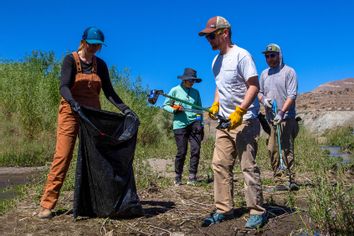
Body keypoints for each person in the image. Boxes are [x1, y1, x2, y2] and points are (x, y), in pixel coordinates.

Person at [38, 27, 135, 219]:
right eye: (91, 44)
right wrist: (73, 103)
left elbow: (109, 92)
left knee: (97, 157)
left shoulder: (101, 65)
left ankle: (97, 202)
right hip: (70, 112)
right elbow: (64, 86)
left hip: (92, 115)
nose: (95, 48)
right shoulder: (70, 60)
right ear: (83, 41)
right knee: (62, 156)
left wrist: (125, 109)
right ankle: (47, 204)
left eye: (98, 45)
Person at [198, 16, 267, 229]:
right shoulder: (215, 61)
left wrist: (240, 111)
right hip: (224, 123)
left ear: (224, 33)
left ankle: (257, 211)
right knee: (219, 165)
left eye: (211, 35)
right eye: (207, 36)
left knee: (247, 166)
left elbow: (254, 86)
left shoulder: (242, 55)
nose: (208, 39)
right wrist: (215, 104)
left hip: (245, 120)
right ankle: (224, 209)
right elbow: (220, 86)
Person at [258, 43, 299, 190]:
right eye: (267, 56)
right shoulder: (264, 74)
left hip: (287, 117)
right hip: (271, 120)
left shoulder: (289, 72)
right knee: (273, 149)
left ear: (279, 55)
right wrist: (264, 100)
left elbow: (292, 95)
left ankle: (291, 179)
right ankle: (279, 181)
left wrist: (282, 112)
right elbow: (259, 92)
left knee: (286, 148)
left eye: (272, 55)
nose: (269, 58)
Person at [162, 68, 204, 186]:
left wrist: (200, 123)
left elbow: (199, 109)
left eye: (193, 80)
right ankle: (178, 176)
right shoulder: (175, 90)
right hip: (180, 125)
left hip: (194, 123)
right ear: (184, 79)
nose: (192, 82)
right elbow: (165, 105)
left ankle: (192, 176)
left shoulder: (196, 92)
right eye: (190, 80)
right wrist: (175, 109)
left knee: (196, 149)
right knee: (182, 151)